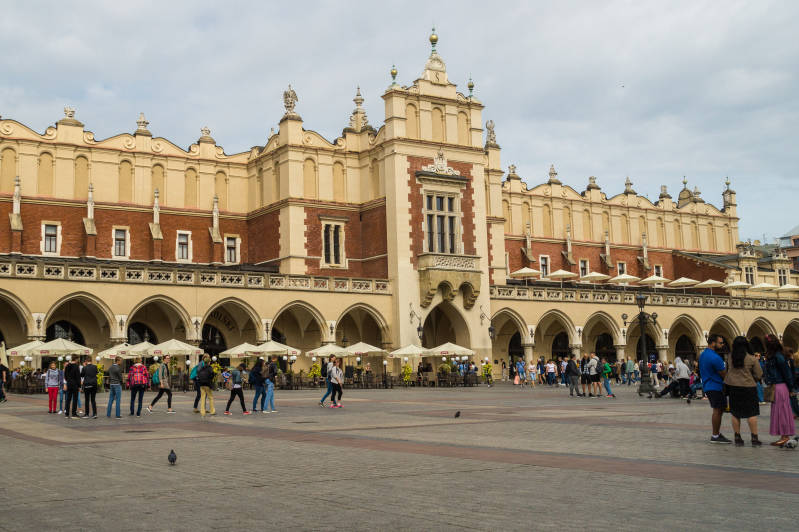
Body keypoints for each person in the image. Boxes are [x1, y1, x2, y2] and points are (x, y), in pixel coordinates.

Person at [724, 336, 762, 446]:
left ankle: (737, 437)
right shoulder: (752, 358)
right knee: (752, 413)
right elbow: (759, 374)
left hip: (734, 388)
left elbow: (728, 371)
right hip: (749, 388)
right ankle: (754, 437)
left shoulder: (730, 358)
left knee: (735, 413)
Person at [763, 334, 796, 447]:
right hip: (778, 386)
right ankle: (783, 435)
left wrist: (791, 388)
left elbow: (787, 373)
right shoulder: (774, 356)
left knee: (782, 412)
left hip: (780, 386)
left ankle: (785, 436)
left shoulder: (777, 356)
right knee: (780, 411)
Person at [699, 333, 731, 443]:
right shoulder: (715, 357)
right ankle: (715, 435)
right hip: (716, 386)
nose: (722, 345)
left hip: (708, 385)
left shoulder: (703, 355)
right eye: (720, 343)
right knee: (718, 410)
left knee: (717, 410)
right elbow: (723, 374)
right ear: (713, 343)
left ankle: (716, 433)